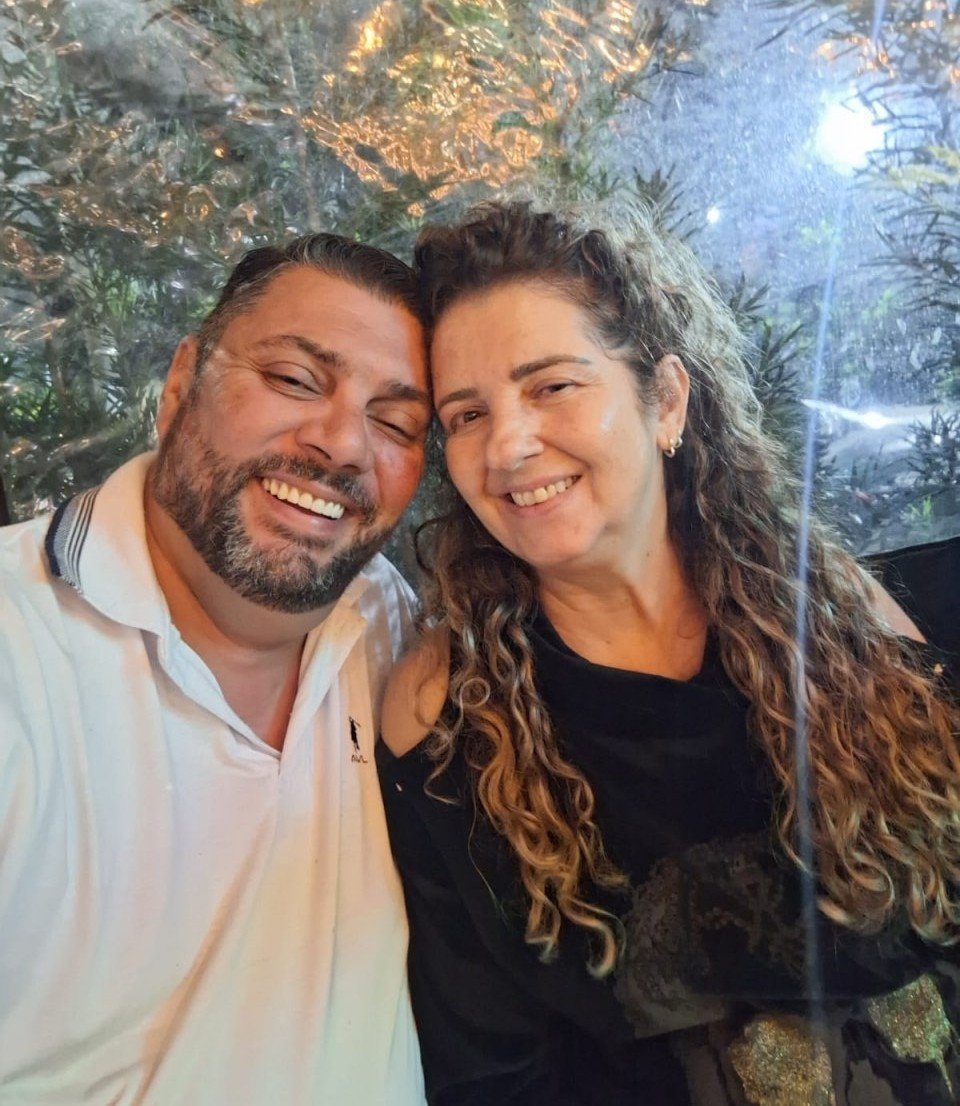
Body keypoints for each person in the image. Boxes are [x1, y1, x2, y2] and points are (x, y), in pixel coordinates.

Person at [378, 200, 960, 1105]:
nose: (509, 445)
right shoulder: (447, 716)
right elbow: (490, 1068)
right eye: (467, 413)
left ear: (667, 402)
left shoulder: (834, 611)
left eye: (552, 386)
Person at [0, 234, 432, 1103]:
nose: (343, 445)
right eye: (295, 380)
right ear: (180, 385)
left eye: (395, 424)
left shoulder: (389, 628)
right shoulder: (23, 648)